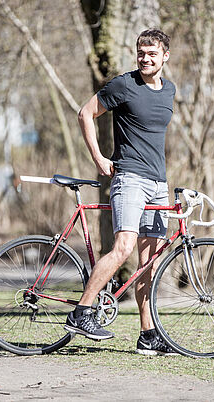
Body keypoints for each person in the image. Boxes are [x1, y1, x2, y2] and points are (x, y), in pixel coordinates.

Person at [64, 29, 177, 355]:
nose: (145, 58)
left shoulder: (169, 90)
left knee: (149, 264)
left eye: (152, 53)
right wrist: (99, 158)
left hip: (158, 184)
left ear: (165, 56)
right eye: (141, 53)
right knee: (123, 248)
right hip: (129, 179)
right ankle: (82, 312)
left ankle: (148, 334)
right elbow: (85, 113)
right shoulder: (124, 85)